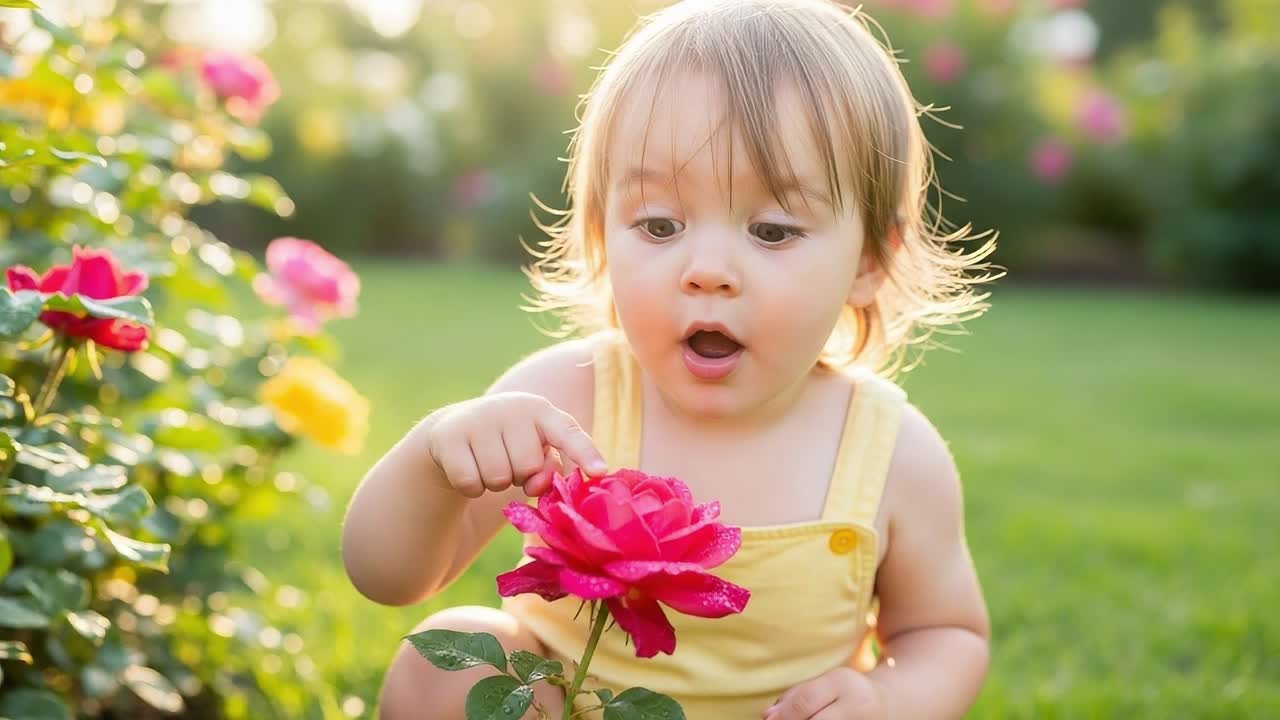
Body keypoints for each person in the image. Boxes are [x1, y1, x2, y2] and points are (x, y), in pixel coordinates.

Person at [343, 0, 999, 717]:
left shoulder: (889, 453)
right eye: (659, 224)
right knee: (448, 653)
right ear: (602, 236)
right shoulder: (565, 403)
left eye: (773, 230)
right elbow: (390, 576)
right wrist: (435, 459)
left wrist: (889, 698)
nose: (707, 270)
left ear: (869, 260)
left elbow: (944, 632)